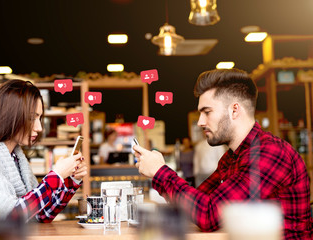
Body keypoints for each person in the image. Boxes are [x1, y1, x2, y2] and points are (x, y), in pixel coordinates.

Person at [133, 68, 312, 239]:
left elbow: (208, 214)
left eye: (207, 112)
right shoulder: (231, 157)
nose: (200, 122)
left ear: (234, 110)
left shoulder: (270, 153)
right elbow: (196, 203)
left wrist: (159, 171)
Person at [0, 80, 87, 240]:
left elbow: (40, 215)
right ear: (9, 116)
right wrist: (56, 176)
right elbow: (10, 219)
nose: (39, 127)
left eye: (40, 118)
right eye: (31, 118)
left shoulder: (16, 157)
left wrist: (70, 180)